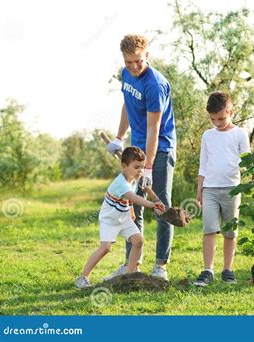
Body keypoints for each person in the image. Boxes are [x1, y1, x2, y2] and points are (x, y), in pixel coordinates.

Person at [106, 34, 176, 281]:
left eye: (138, 61)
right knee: (132, 206)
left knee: (161, 206)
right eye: (128, 62)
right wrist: (119, 137)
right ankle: (131, 266)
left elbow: (153, 129)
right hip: (136, 148)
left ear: (147, 56)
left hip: (160, 149)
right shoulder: (126, 75)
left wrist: (147, 168)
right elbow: (127, 104)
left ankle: (160, 266)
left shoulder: (154, 85)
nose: (134, 67)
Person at [75, 147, 164, 289]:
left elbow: (130, 197)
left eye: (142, 167)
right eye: (136, 167)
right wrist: (152, 205)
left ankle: (128, 277)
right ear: (124, 166)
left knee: (138, 241)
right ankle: (82, 277)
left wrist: (133, 209)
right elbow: (132, 197)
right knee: (105, 248)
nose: (140, 171)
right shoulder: (120, 183)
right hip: (109, 220)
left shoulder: (133, 179)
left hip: (124, 218)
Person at [193, 91, 250, 286]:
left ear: (231, 112)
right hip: (209, 188)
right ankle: (208, 270)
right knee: (209, 229)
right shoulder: (208, 135)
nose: (217, 122)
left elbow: (247, 160)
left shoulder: (240, 134)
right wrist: (199, 188)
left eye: (221, 118)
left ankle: (228, 270)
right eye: (212, 119)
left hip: (232, 189)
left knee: (230, 232)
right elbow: (203, 163)